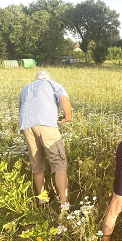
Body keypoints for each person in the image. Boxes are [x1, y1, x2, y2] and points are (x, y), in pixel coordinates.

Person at [19, 70, 72, 209]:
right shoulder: (52, 84)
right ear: (48, 78)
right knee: (58, 161)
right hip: (45, 123)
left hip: (26, 125)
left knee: (37, 164)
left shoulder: (26, 88)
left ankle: (42, 200)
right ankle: (64, 202)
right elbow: (64, 99)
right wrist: (67, 117)